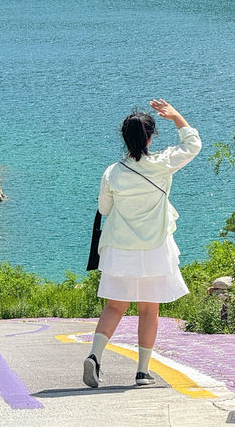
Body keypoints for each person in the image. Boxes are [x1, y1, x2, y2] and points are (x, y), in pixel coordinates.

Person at [83, 98, 202, 389]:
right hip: (155, 249)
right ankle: (142, 372)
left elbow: (105, 208)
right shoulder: (161, 166)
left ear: (124, 139)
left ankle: (95, 356)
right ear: (150, 138)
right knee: (149, 310)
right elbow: (193, 146)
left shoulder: (112, 172)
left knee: (114, 307)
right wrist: (176, 117)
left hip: (120, 250)